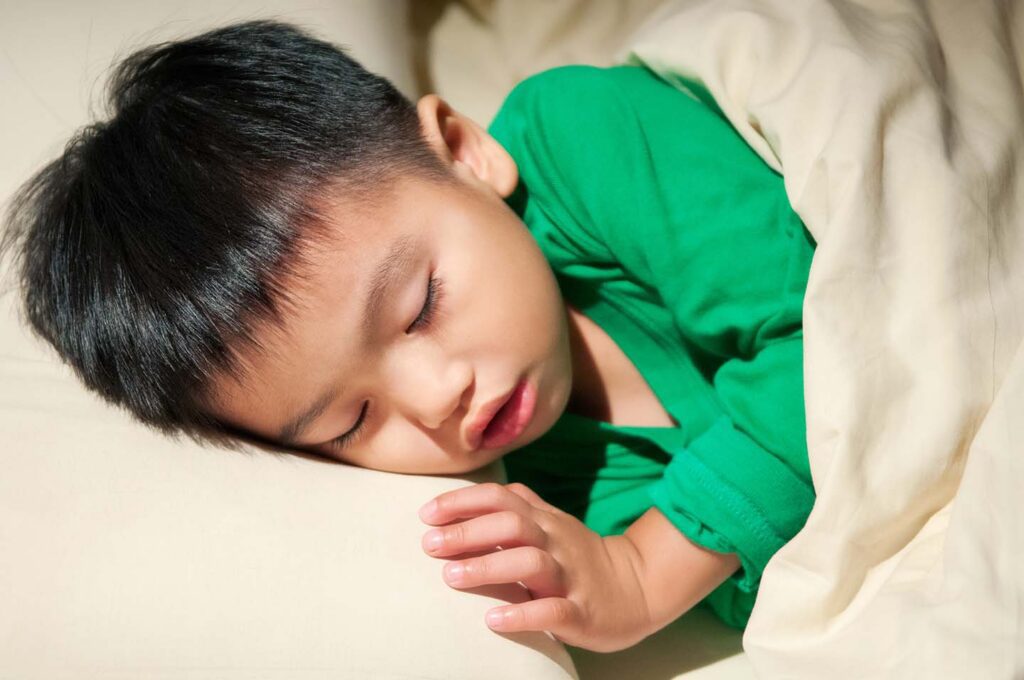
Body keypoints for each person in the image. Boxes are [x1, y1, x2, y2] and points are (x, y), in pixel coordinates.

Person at [0, 19, 815, 652]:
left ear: (461, 152)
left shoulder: (583, 138)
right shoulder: (531, 500)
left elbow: (830, 344)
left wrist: (643, 574)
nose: (435, 399)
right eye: (350, 423)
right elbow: (780, 572)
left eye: (421, 304)